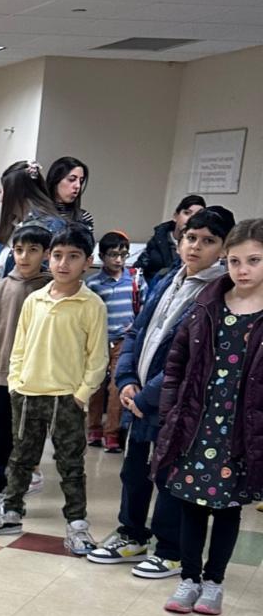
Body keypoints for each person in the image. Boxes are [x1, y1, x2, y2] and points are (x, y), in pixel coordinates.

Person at [88, 207, 234, 577]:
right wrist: (125, 379)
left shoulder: (219, 294)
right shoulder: (169, 277)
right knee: (134, 471)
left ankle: (169, 550)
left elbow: (189, 361)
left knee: (169, 477)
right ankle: (132, 534)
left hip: (174, 404)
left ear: (223, 248)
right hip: (139, 397)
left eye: (208, 241)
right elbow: (137, 329)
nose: (195, 247)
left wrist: (145, 396)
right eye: (190, 238)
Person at [0, 226, 107, 554]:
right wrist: (16, 383)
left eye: (73, 257)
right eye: (58, 255)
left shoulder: (91, 304)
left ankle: (77, 523)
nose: (63, 263)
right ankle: (11, 512)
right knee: (21, 457)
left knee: (70, 463)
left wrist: (82, 394)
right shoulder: (35, 299)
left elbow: (98, 357)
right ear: (50, 257)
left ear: (87, 261)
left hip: (66, 397)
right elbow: (19, 346)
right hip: (27, 393)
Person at [154, 217, 263, 616]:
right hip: (197, 426)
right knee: (191, 505)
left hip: (240, 432)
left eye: (254, 260)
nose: (242, 270)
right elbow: (177, 364)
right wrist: (170, 414)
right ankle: (189, 578)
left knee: (227, 508)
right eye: (235, 261)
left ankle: (214, 582)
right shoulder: (207, 304)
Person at [0, 222, 52, 520]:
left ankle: (15, 493)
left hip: (35, 379)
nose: (24, 256)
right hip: (0, 375)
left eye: (33, 250)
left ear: (45, 253)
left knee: (26, 439)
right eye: (19, 250)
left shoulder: (50, 287)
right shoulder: (1, 286)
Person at [85, 230, 137, 451]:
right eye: (113, 255)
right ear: (102, 256)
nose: (118, 260)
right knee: (95, 385)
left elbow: (142, 308)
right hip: (99, 340)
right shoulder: (93, 284)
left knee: (117, 387)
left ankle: (112, 433)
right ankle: (94, 428)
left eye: (123, 255)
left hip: (123, 341)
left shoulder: (134, 281)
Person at [0, 160, 68, 281]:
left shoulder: (51, 226)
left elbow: (48, 273)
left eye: (2, 192)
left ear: (15, 192)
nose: (0, 199)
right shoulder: (11, 224)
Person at [138, 193, 206, 285]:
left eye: (198, 215)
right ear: (175, 216)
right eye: (187, 213)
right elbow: (139, 268)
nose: (191, 218)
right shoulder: (159, 239)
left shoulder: (200, 246)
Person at [46, 156, 95, 234]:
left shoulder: (83, 217)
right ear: (55, 180)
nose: (78, 186)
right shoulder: (36, 214)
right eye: (72, 179)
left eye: (81, 181)